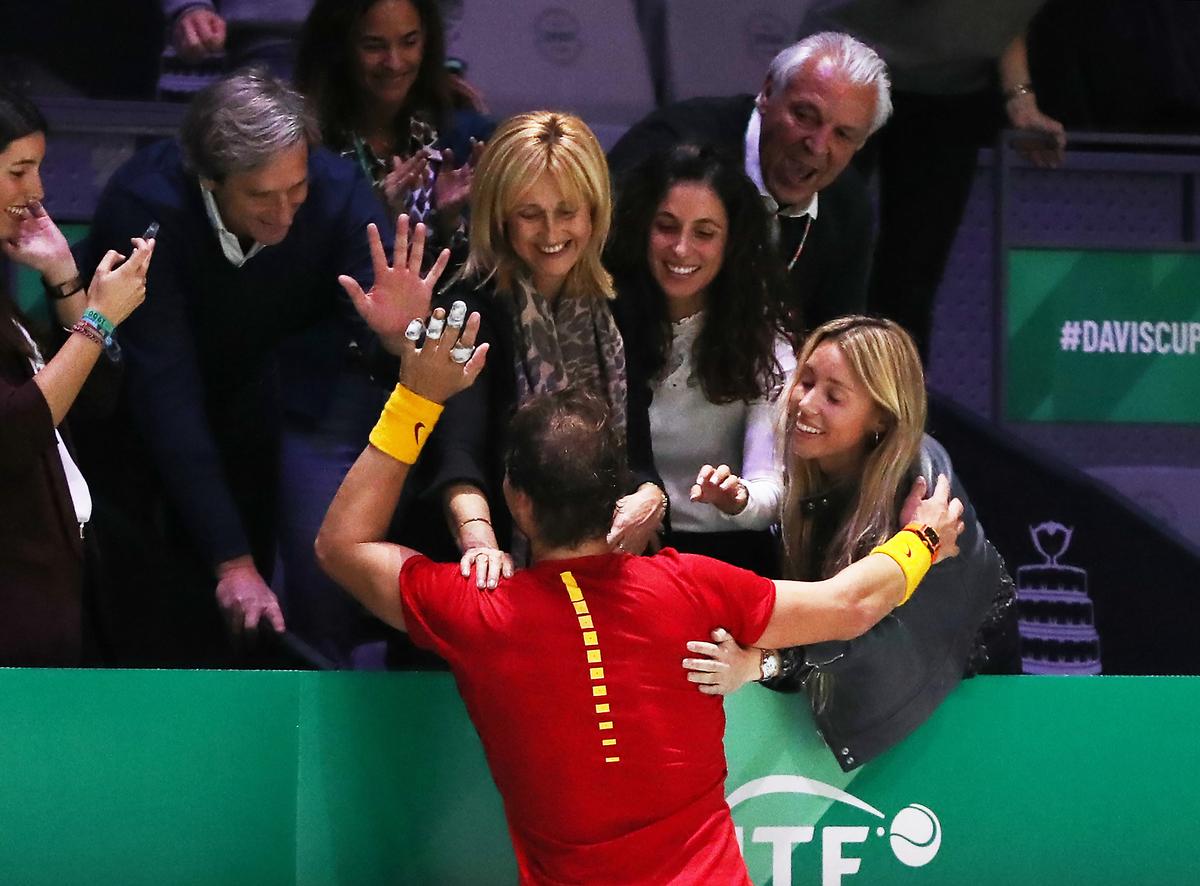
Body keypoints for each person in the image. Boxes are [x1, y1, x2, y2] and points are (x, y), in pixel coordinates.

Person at [313, 228, 966, 882]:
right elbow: (850, 603)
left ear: (518, 502)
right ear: (618, 495)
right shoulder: (691, 588)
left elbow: (342, 545)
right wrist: (922, 541)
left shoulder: (477, 612)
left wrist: (416, 395)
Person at [78, 70, 398, 667]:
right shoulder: (145, 205)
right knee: (152, 599)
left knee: (279, 592)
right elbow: (164, 389)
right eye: (260, 196)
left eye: (295, 190)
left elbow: (382, 337)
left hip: (278, 393)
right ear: (209, 180)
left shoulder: (339, 191)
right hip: (133, 417)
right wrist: (232, 562)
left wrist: (399, 336)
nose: (284, 214)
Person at [684, 316, 1020, 770]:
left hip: (961, 678)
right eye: (804, 381)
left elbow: (860, 616)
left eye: (834, 396)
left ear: (881, 415)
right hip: (872, 669)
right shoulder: (814, 465)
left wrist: (763, 663)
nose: (805, 403)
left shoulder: (924, 492)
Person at [418, 110, 666, 589]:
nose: (552, 234)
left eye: (567, 211)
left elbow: (636, 454)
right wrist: (480, 544)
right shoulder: (468, 306)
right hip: (486, 569)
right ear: (501, 217)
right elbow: (458, 454)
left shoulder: (621, 302)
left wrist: (652, 498)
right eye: (530, 214)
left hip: (596, 570)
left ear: (595, 211)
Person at [799, 1, 1065, 360]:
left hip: (951, 90)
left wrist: (1019, 96)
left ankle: (890, 403)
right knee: (814, 245)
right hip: (848, 61)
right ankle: (787, 385)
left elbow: (1003, 15)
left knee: (912, 280)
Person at [0, 88, 154, 666]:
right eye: (18, 171)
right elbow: (14, 435)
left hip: (42, 591)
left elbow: (88, 401)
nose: (36, 192)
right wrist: (98, 320)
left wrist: (66, 280)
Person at [608, 31, 891, 333]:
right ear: (768, 92)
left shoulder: (848, 206)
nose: (818, 145)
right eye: (805, 116)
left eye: (843, 134)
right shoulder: (667, 149)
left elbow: (834, 338)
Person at [607, 144, 794, 574]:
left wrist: (736, 497)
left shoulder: (765, 338)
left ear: (732, 244)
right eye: (667, 227)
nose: (681, 249)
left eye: (705, 233)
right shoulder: (603, 319)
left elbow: (771, 492)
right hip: (623, 552)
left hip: (726, 559)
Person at [295, 0, 493, 244]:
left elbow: (492, 268)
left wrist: (450, 222)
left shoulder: (465, 137)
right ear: (339, 47)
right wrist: (376, 215)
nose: (394, 62)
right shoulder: (309, 150)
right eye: (373, 46)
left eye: (409, 42)